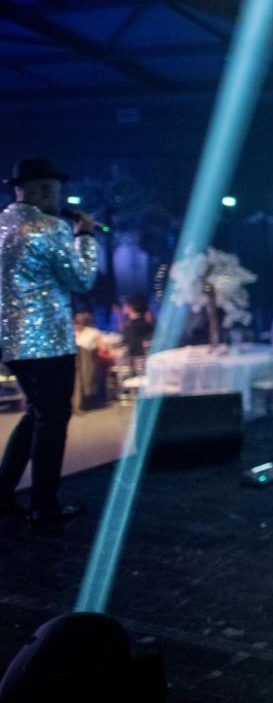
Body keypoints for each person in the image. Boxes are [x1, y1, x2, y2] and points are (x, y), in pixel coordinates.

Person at [0, 158, 100, 523]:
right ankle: (45, 505)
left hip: (10, 341)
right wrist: (85, 237)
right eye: (57, 191)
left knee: (38, 415)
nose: (60, 198)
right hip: (47, 343)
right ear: (43, 189)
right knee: (53, 420)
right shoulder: (50, 228)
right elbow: (81, 280)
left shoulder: (1, 225)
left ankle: (4, 494)